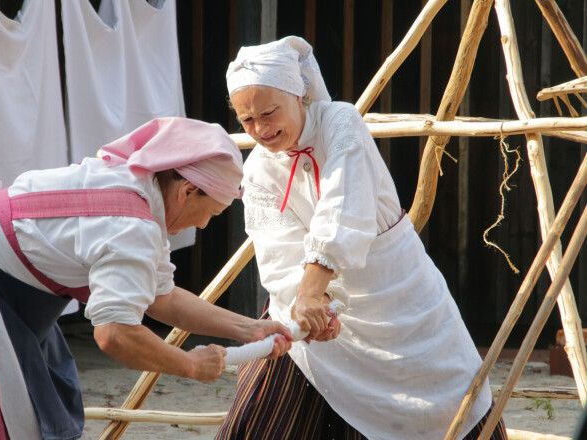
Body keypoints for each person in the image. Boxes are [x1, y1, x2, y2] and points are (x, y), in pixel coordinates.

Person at [0, 117, 293, 440]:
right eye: (210, 213)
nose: (202, 224)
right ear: (186, 191)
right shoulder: (132, 227)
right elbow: (114, 333)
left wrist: (250, 329)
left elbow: (159, 296)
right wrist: (189, 365)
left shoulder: (132, 184)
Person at [217, 36, 507, 440]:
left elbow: (342, 206)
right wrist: (310, 309)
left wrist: (312, 295)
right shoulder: (259, 170)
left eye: (269, 113)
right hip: (312, 309)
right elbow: (277, 254)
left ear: (298, 95)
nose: (261, 129)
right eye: (247, 121)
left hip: (395, 296)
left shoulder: (340, 121)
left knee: (443, 401)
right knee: (265, 404)